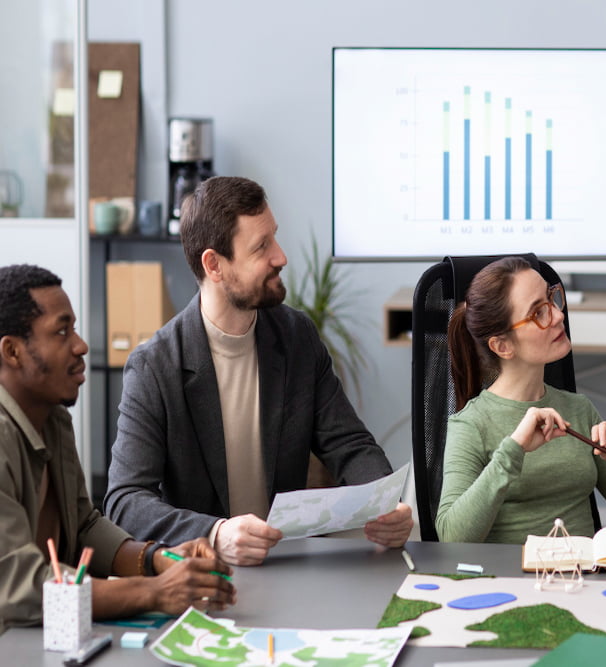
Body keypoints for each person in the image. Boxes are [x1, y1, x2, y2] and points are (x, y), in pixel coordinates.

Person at [104, 176, 412, 566]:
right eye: (261, 246)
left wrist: (386, 504)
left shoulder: (296, 337)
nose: (281, 256)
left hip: (288, 565)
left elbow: (349, 445)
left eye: (275, 238)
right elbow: (125, 500)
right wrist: (215, 533)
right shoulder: (155, 366)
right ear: (214, 265)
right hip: (203, 573)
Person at [0, 264, 235, 630]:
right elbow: (20, 585)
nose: (80, 345)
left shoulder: (53, 419)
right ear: (12, 351)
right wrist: (154, 591)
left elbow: (83, 527)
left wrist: (159, 559)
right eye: (61, 332)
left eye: (74, 329)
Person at [435, 256, 606, 543]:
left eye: (552, 299)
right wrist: (514, 449)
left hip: (582, 581)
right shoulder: (472, 424)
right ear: (502, 345)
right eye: (538, 313)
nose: (558, 316)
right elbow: (452, 539)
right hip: (514, 582)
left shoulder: (579, 410)